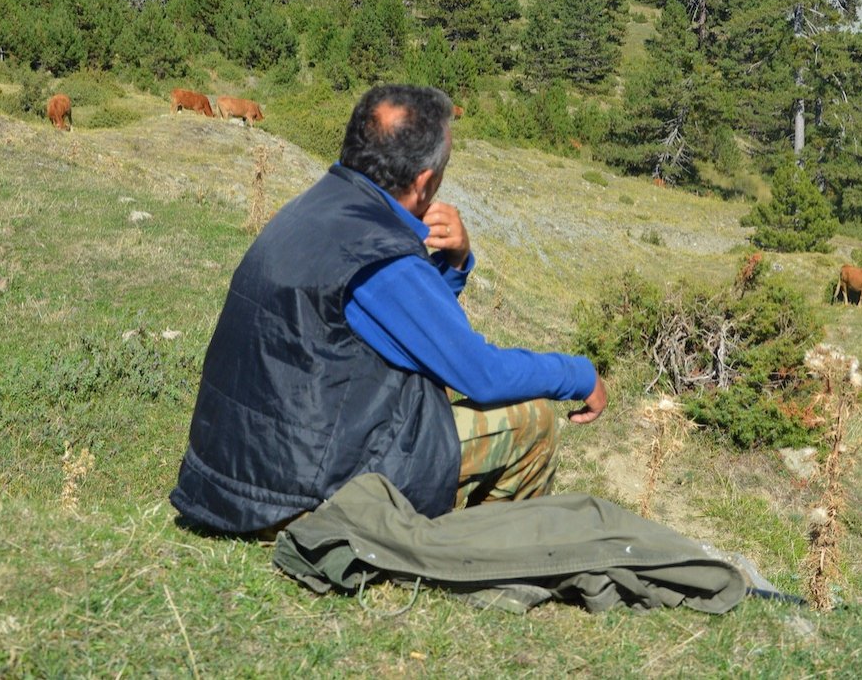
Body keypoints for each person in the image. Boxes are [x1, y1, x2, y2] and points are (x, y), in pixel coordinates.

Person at [170, 84, 607, 536]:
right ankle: (481, 554)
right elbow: (479, 373)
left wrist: (452, 263)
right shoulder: (383, 257)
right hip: (300, 503)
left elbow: (403, 324)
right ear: (424, 182)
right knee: (532, 419)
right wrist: (579, 375)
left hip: (227, 481)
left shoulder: (312, 207)